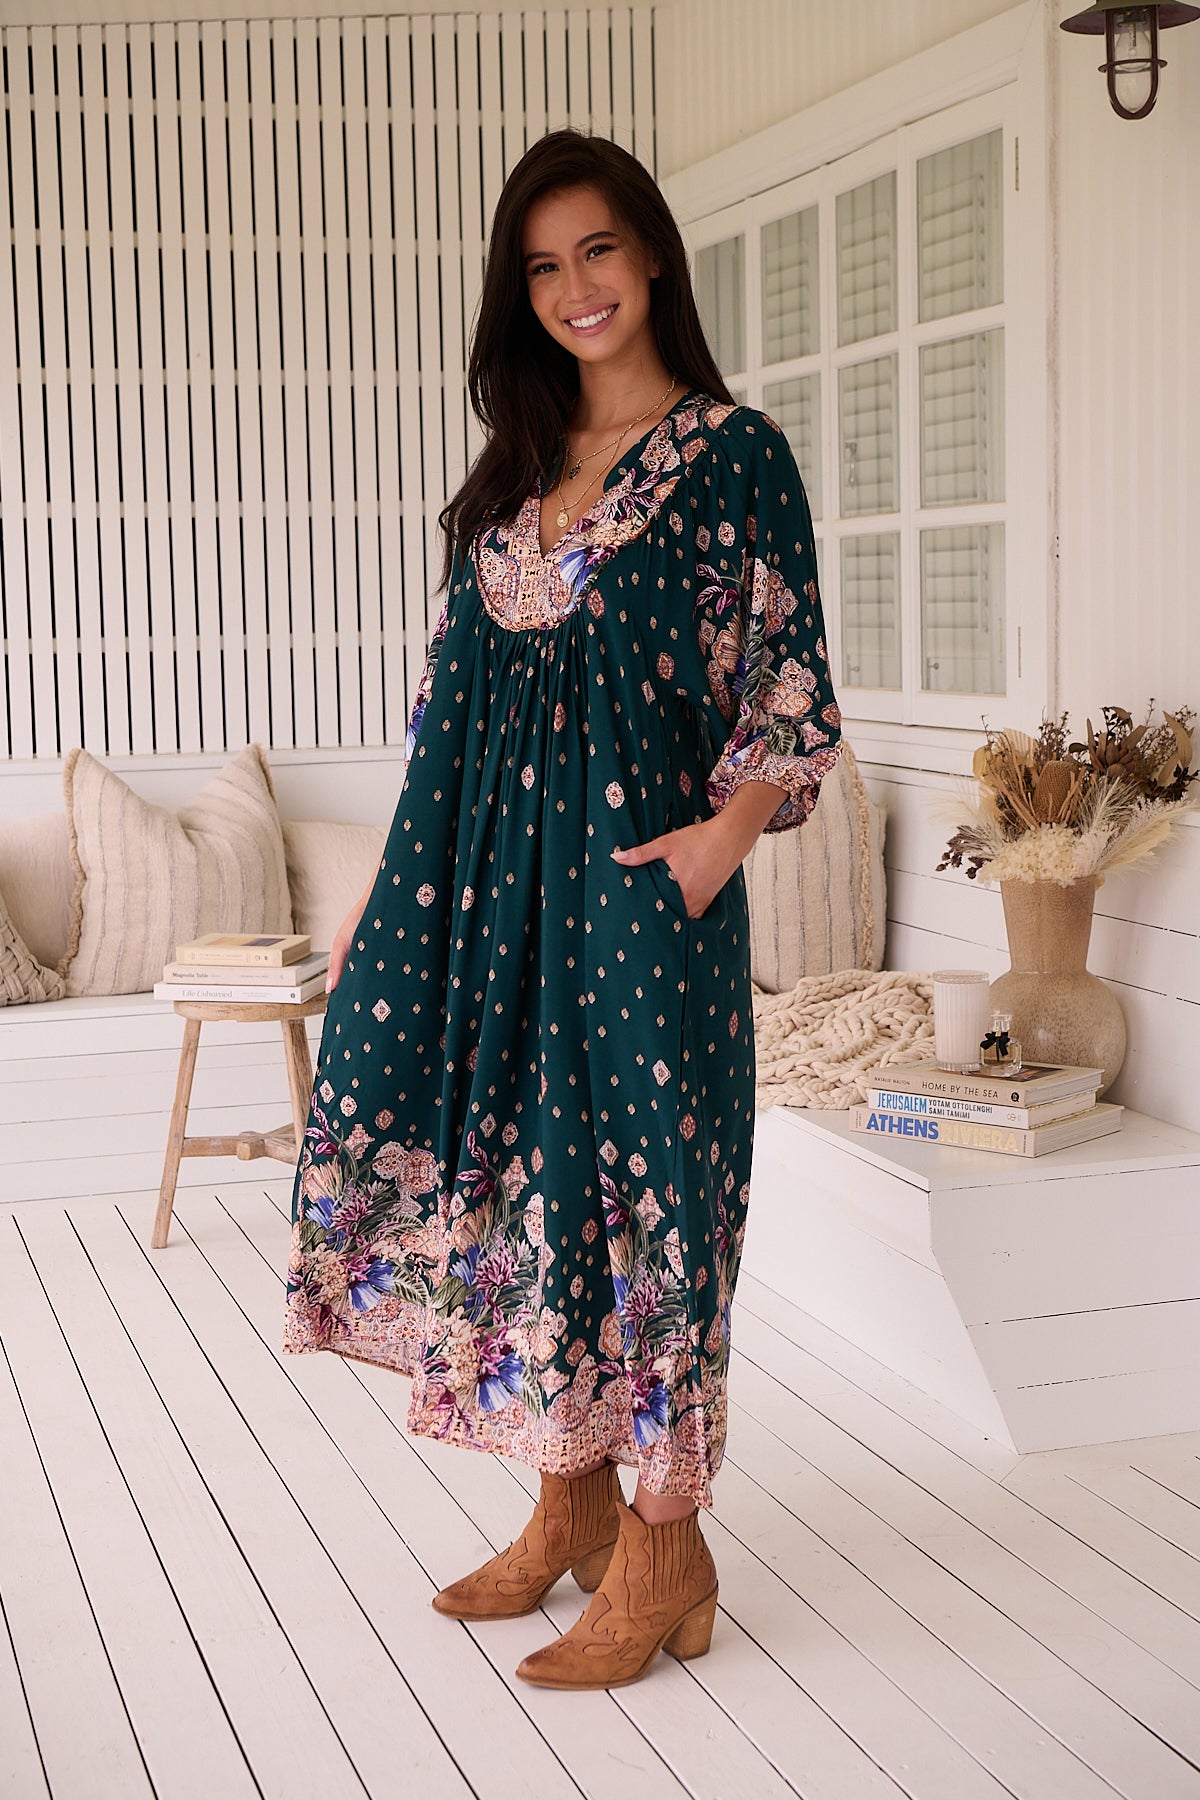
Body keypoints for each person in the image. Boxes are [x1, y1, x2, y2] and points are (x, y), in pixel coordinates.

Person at [283, 127, 842, 1691]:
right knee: (522, 1192)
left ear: (652, 252)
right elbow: (437, 719)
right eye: (542, 265)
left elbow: (787, 687)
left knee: (653, 1198)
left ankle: (668, 1539)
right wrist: (386, 903)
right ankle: (570, 1495)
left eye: (597, 250)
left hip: (637, 903)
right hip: (480, 905)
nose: (575, 287)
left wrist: (723, 846)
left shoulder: (732, 457)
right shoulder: (509, 487)